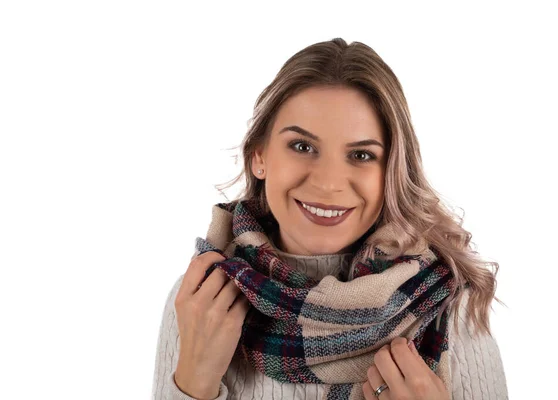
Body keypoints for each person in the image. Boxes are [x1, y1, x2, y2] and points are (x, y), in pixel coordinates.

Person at [152, 38, 509, 400]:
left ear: (392, 171)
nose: (328, 183)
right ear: (259, 155)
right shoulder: (201, 299)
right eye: (302, 147)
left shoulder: (448, 309)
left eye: (361, 155)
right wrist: (193, 383)